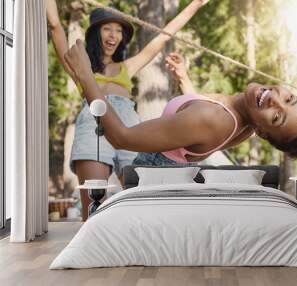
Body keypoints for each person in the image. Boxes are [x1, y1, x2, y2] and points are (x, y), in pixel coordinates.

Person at [46, 0, 210, 220]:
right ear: (96, 33)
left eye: (119, 30)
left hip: (129, 126)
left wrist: (196, 4)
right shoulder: (80, 67)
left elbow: (164, 36)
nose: (113, 35)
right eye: (107, 28)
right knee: (93, 210)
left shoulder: (127, 67)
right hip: (93, 127)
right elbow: (55, 26)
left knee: (138, 202)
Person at [63, 40, 297, 169]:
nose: (275, 99)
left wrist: (86, 76)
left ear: (263, 132)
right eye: (289, 99)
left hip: (145, 179)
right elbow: (194, 134)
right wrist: (184, 80)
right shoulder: (244, 121)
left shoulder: (214, 119)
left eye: (277, 117)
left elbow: (122, 137)